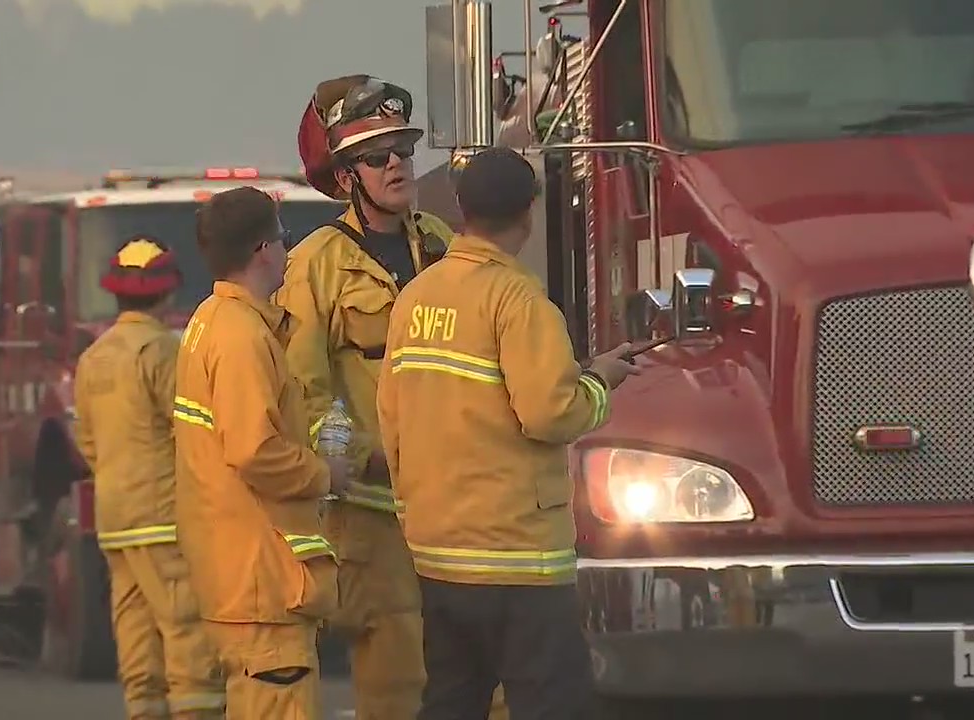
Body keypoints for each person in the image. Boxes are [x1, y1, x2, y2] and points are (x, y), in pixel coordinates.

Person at [376, 147, 644, 720]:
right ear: (528, 213)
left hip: (439, 552)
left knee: (451, 700)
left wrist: (411, 511)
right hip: (518, 556)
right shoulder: (518, 300)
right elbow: (549, 413)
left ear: (461, 210)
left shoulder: (416, 297)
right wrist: (599, 383)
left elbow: (392, 414)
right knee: (551, 703)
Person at [278, 74, 516, 720]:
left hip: (458, 501)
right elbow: (304, 387)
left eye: (404, 151)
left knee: (492, 680)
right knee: (398, 684)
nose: (397, 165)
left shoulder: (442, 243)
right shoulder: (316, 264)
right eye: (377, 156)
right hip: (375, 515)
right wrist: (358, 454)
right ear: (345, 176)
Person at [174, 187, 350, 720]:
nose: (287, 250)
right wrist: (325, 473)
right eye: (283, 238)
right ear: (262, 250)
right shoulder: (241, 337)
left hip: (237, 572)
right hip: (262, 585)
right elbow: (254, 450)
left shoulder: (211, 319)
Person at [73, 237, 225, 720]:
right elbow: (192, 431)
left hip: (116, 521)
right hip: (164, 518)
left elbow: (88, 442)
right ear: (169, 290)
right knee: (187, 633)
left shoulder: (93, 357)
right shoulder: (161, 351)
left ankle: (144, 711)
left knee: (135, 631)